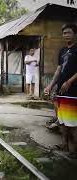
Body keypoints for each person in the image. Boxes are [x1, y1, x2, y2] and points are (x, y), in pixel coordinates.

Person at [44, 24, 77, 156]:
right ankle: (64, 145)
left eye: (68, 32)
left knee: (73, 121)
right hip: (61, 90)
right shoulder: (62, 51)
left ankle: (75, 150)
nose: (66, 35)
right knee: (62, 120)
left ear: (75, 34)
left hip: (73, 91)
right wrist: (50, 85)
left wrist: (69, 82)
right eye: (64, 33)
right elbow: (58, 70)